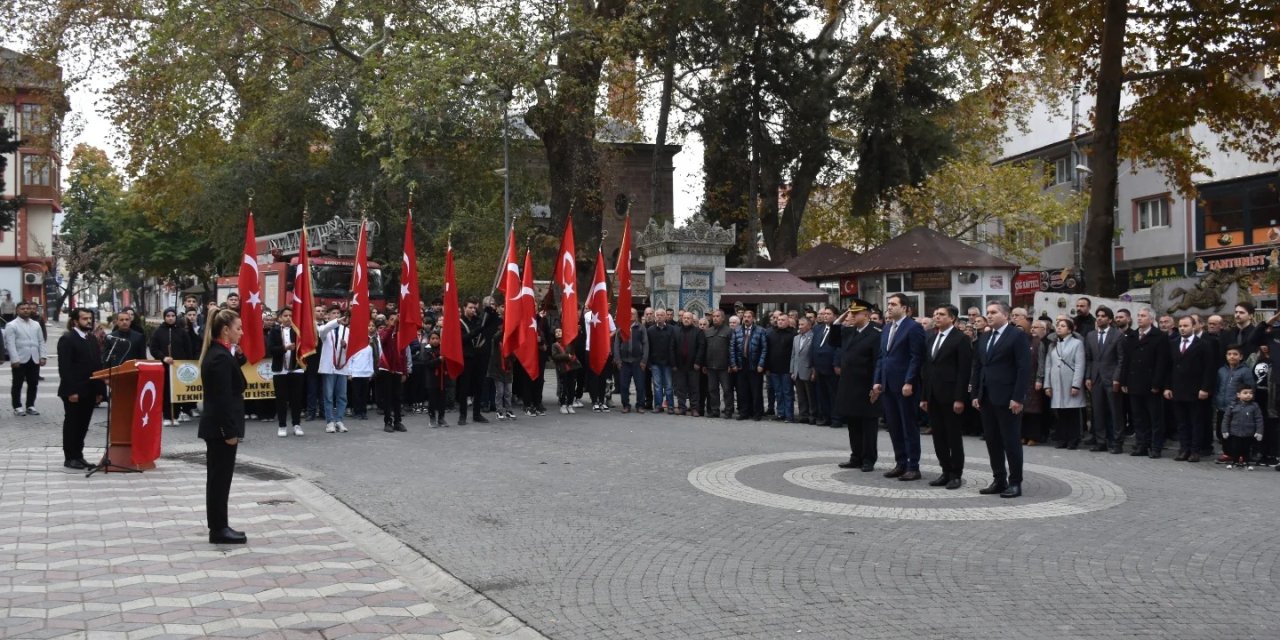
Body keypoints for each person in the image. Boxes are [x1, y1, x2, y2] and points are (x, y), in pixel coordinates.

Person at [971, 301, 1031, 499]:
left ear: (1006, 315)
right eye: (987, 312)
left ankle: (1015, 483)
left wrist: (1018, 397)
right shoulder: (985, 337)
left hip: (1008, 399)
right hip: (987, 398)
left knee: (1011, 441)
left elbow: (1024, 369)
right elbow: (978, 367)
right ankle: (999, 479)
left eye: (993, 312)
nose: (989, 315)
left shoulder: (1017, 336)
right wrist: (976, 394)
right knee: (992, 441)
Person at [198, 308, 248, 545]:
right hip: (220, 430)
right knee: (219, 479)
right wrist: (228, 432)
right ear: (225, 330)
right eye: (238, 328)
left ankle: (220, 525)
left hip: (220, 428)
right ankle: (218, 529)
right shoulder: (218, 357)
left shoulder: (222, 353)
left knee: (220, 478)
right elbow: (221, 400)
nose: (242, 332)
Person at [873, 294, 927, 481]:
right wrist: (877, 380)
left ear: (904, 308)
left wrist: (909, 381)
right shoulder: (887, 328)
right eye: (888, 304)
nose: (889, 307)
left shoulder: (913, 328)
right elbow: (882, 356)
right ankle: (900, 463)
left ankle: (913, 466)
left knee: (908, 426)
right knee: (894, 426)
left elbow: (916, 357)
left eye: (893, 304)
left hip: (905, 385)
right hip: (888, 384)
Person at [920, 304, 971, 489]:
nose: (937, 317)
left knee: (953, 437)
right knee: (938, 436)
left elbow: (964, 371)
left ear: (952, 318)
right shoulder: (931, 338)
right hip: (933, 395)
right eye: (935, 314)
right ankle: (945, 471)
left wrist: (959, 398)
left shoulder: (961, 339)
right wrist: (924, 396)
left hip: (951, 396)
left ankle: (956, 474)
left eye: (941, 314)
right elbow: (927, 369)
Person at [57, 308, 105, 470]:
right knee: (73, 424)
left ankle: (79, 455)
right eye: (85, 319)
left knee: (83, 424)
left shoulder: (91, 338)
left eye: (90, 318)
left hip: (90, 390)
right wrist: (71, 391)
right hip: (75, 391)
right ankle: (70, 457)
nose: (89, 321)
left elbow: (97, 365)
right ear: (75, 321)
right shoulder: (68, 339)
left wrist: (100, 391)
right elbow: (65, 368)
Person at [1119, 308, 1169, 457]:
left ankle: (1155, 447)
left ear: (1151, 319)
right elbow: (1126, 361)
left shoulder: (1159, 336)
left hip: (1151, 384)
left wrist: (1157, 384)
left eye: (1143, 316)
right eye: (1138, 316)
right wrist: (1124, 381)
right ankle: (1141, 445)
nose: (1139, 318)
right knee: (1138, 417)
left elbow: (1162, 363)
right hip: (1134, 382)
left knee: (1155, 418)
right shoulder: (1132, 336)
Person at [836, 304, 881, 471]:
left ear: (867, 315)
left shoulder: (876, 333)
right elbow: (834, 334)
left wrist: (876, 385)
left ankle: (869, 459)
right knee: (853, 423)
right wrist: (844, 315)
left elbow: (878, 361)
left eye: (856, 313)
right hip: (849, 385)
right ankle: (856, 456)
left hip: (866, 385)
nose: (852, 316)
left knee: (868, 425)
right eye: (851, 313)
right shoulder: (849, 331)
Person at [1165, 316, 1215, 462]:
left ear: (1193, 327)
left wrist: (1205, 388)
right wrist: (1167, 387)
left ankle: (1195, 450)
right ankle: (1183, 449)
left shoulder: (1203, 344)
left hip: (1196, 390)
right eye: (1180, 326)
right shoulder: (1173, 344)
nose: (1182, 328)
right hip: (1178, 389)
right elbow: (1169, 367)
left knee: (1196, 422)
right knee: (1181, 422)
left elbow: (1209, 369)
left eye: (1185, 326)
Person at [1084, 306, 1124, 452]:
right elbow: (1088, 358)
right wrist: (1088, 376)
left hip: (1111, 377)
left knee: (1115, 411)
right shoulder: (1091, 336)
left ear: (1110, 319)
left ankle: (1117, 442)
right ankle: (1101, 441)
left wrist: (1117, 378)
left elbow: (1121, 359)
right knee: (1098, 411)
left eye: (1103, 316)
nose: (1099, 318)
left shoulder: (1117, 335)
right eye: (1098, 315)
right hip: (1095, 377)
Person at [1044, 317, 1087, 449]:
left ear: (1070, 330)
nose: (1059, 328)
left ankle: (1073, 439)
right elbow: (1048, 366)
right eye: (1058, 325)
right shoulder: (1053, 344)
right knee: (1060, 412)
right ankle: (1062, 438)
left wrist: (1076, 384)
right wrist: (1047, 385)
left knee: (1072, 412)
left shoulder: (1077, 343)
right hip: (1056, 382)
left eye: (1062, 326)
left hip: (1069, 381)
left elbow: (1080, 365)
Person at [458, 298, 499, 425]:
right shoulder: (459, 323)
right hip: (467, 357)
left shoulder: (479, 321)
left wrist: (490, 312)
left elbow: (494, 323)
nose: (473, 310)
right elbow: (462, 339)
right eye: (470, 307)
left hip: (480, 358)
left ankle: (477, 414)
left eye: (474, 308)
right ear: (464, 308)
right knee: (464, 388)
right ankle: (463, 415)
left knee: (479, 386)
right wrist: (477, 331)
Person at [149, 308, 191, 426]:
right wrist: (164, 357)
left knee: (176, 391)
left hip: (179, 368)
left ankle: (176, 415)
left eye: (173, 315)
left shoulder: (182, 332)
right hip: (165, 367)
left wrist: (187, 363)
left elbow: (188, 349)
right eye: (168, 316)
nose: (171, 318)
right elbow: (153, 349)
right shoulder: (158, 332)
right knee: (166, 391)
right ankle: (167, 415)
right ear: (164, 317)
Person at [6, 300, 47, 417]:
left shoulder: (36, 324)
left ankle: (30, 405)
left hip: (33, 358)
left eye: (27, 309)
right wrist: (14, 359)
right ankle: (17, 406)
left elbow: (41, 341)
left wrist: (43, 356)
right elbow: (10, 343)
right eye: (22, 309)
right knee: (17, 384)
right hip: (19, 359)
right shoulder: (12, 325)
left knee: (33, 383)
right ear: (17, 310)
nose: (25, 310)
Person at [267, 308, 305, 437]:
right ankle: (282, 425)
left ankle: (296, 424)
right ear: (279, 318)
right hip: (280, 369)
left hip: (296, 368)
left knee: (296, 398)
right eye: (285, 315)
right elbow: (271, 349)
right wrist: (285, 348)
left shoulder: (298, 331)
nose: (288, 318)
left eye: (290, 315)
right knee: (281, 399)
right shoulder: (274, 331)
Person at [316, 306, 352, 433]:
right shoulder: (323, 328)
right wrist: (336, 322)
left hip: (342, 366)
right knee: (329, 396)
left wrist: (345, 345)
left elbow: (350, 349)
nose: (336, 315)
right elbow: (324, 331)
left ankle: (339, 420)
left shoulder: (346, 330)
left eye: (338, 313)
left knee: (342, 396)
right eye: (333, 313)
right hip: (329, 367)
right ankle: (330, 421)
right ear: (328, 316)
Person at [730, 309, 768, 421]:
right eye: (745, 317)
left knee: (756, 390)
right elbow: (732, 348)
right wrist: (733, 364)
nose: (746, 318)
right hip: (741, 364)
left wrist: (761, 364)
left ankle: (757, 413)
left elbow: (764, 349)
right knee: (742, 390)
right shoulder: (737, 331)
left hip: (755, 365)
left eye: (749, 317)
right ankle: (744, 412)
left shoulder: (760, 331)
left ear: (753, 318)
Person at [377, 317, 412, 432]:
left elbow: (404, 355)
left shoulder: (401, 335)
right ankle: (388, 421)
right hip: (386, 368)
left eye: (395, 320)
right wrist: (391, 327)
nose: (394, 321)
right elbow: (383, 341)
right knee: (387, 396)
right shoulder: (383, 332)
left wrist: (404, 372)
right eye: (391, 319)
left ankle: (398, 421)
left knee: (397, 396)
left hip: (398, 369)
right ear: (387, 321)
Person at [810, 306, 842, 426]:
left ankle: (836, 418)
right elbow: (813, 347)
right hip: (819, 367)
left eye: (828, 314)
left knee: (833, 394)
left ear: (835, 316)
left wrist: (837, 363)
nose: (825, 316)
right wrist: (813, 365)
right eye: (824, 314)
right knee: (821, 394)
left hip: (832, 367)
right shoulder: (818, 328)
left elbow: (839, 348)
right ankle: (825, 417)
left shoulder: (839, 329)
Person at [1219, 386, 1263, 469]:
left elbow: (1259, 419)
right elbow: (1226, 418)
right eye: (1245, 393)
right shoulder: (1233, 405)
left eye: (1250, 393)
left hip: (1248, 432)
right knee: (1235, 447)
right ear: (1238, 395)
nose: (1248, 395)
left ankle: (1246, 461)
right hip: (1235, 432)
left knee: (1246, 448)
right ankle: (1235, 461)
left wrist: (1259, 431)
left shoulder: (1255, 406)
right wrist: (1224, 430)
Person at [673, 311, 707, 416]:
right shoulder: (676, 331)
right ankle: (682, 407)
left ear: (692, 320)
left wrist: (697, 362)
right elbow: (672, 348)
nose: (686, 319)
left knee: (694, 388)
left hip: (693, 366)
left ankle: (694, 409)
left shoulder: (698, 332)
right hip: (680, 365)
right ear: (681, 319)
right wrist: (673, 364)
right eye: (684, 318)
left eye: (688, 318)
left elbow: (701, 348)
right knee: (680, 388)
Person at [614, 313, 649, 413]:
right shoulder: (621, 328)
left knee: (640, 385)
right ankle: (626, 405)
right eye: (629, 313)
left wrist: (644, 360)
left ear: (636, 316)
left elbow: (645, 344)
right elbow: (616, 344)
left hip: (638, 362)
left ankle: (640, 405)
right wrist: (618, 360)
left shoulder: (641, 328)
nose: (630, 315)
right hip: (624, 362)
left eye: (633, 314)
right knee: (624, 385)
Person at [764, 313, 796, 422]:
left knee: (787, 392)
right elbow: (767, 351)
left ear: (788, 321)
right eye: (778, 320)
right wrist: (767, 367)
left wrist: (793, 369)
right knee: (778, 392)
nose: (780, 321)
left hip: (787, 369)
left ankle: (789, 415)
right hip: (774, 368)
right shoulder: (771, 333)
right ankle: (780, 413)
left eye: (783, 320)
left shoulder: (793, 334)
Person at [703, 309, 733, 419]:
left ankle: (728, 410)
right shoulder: (707, 331)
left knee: (727, 390)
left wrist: (731, 364)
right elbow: (704, 349)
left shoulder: (729, 331)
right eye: (713, 316)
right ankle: (715, 410)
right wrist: (704, 364)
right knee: (712, 390)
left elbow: (732, 349)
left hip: (724, 366)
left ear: (723, 318)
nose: (715, 318)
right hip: (710, 366)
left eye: (717, 316)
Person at [647, 309, 676, 413]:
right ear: (655, 317)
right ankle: (658, 406)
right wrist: (649, 362)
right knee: (657, 386)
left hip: (668, 362)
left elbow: (674, 346)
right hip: (655, 363)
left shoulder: (672, 329)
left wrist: (673, 362)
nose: (659, 317)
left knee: (668, 386)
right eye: (657, 315)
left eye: (661, 315)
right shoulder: (650, 330)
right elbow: (648, 347)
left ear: (665, 317)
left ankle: (670, 406)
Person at [791, 316, 816, 425]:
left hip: (808, 370)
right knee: (800, 396)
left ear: (809, 326)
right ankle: (803, 415)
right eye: (799, 324)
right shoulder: (796, 338)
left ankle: (812, 415)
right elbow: (793, 355)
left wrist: (814, 370)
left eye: (802, 325)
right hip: (797, 371)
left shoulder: (814, 337)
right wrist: (792, 370)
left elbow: (814, 356)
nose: (799, 327)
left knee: (811, 396)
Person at [552, 327, 581, 413]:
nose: (559, 334)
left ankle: (570, 404)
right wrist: (566, 356)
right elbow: (555, 356)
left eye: (560, 332)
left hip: (572, 368)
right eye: (557, 333)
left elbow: (574, 344)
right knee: (563, 387)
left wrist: (576, 331)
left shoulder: (569, 343)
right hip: (563, 368)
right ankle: (563, 404)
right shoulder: (555, 345)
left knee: (571, 387)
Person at [423, 331, 448, 427]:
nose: (435, 340)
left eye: (437, 338)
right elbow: (427, 363)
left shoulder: (442, 349)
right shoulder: (427, 350)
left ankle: (441, 418)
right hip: (431, 379)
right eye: (432, 338)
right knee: (432, 400)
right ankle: (432, 418)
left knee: (442, 399)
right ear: (429, 340)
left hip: (442, 379)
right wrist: (438, 360)